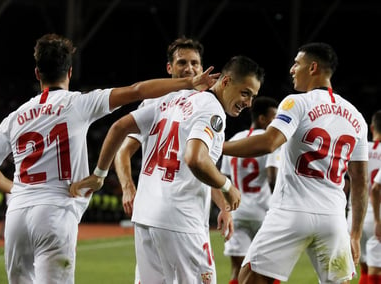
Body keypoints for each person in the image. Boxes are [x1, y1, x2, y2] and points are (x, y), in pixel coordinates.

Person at [0, 33, 219, 284]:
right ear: (69, 72)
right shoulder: (80, 103)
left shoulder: (15, 116)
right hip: (55, 214)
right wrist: (189, 84)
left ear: (37, 73)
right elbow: (137, 90)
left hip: (16, 217)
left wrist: (16, 191)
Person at [70, 55, 265, 283]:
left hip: (146, 217)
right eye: (245, 93)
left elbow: (118, 126)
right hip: (181, 219)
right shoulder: (212, 110)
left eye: (253, 96)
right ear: (225, 81)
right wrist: (227, 186)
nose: (249, 103)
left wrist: (99, 174)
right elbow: (195, 160)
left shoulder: (168, 101)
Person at [222, 42, 369, 284]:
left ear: (313, 68)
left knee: (249, 278)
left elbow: (269, 142)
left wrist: (218, 147)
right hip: (333, 217)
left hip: (291, 212)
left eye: (297, 64)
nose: (292, 69)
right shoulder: (356, 117)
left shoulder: (296, 103)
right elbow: (360, 181)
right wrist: (354, 233)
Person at [114, 36, 234, 284]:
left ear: (202, 68)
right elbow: (124, 150)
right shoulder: (199, 105)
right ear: (169, 68)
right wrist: (127, 186)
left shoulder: (158, 101)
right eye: (182, 63)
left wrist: (222, 206)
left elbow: (198, 166)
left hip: (148, 216)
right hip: (182, 219)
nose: (189, 69)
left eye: (195, 63)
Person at [220, 96, 281, 284]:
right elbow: (272, 177)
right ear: (263, 119)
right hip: (264, 212)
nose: (277, 122)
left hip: (237, 211)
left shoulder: (235, 140)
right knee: (269, 271)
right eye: (275, 117)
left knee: (237, 270)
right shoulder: (268, 142)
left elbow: (224, 178)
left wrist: (226, 206)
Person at [353, 110, 381, 284]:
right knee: (376, 271)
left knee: (363, 267)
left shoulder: (360, 150)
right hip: (378, 217)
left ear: (372, 128)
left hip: (355, 217)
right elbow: (377, 189)